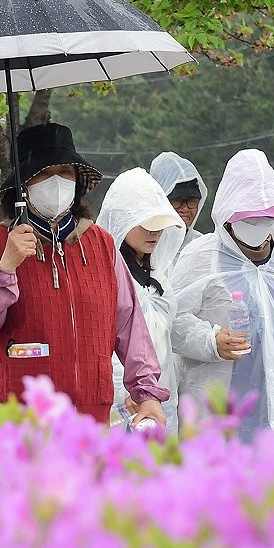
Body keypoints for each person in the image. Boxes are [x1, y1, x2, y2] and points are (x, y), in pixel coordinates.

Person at [0, 122, 169, 426]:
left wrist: (147, 393)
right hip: (17, 416)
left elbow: (129, 324)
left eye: (66, 172)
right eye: (45, 173)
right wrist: (7, 265)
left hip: (88, 416)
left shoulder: (102, 244)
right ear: (24, 184)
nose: (57, 181)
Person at [172, 149, 274, 436]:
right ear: (228, 217)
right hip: (217, 401)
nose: (258, 223)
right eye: (249, 217)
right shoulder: (202, 256)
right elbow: (173, 319)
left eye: (266, 217)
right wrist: (210, 340)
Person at [95, 167, 185, 430]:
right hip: (121, 403)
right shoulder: (106, 275)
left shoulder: (159, 276)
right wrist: (126, 389)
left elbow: (166, 342)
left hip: (159, 402)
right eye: (147, 224)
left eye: (160, 225)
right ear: (123, 221)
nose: (155, 233)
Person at [149, 151, 209, 263]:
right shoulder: (146, 248)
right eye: (177, 200)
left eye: (191, 201)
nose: (185, 208)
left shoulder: (205, 250)